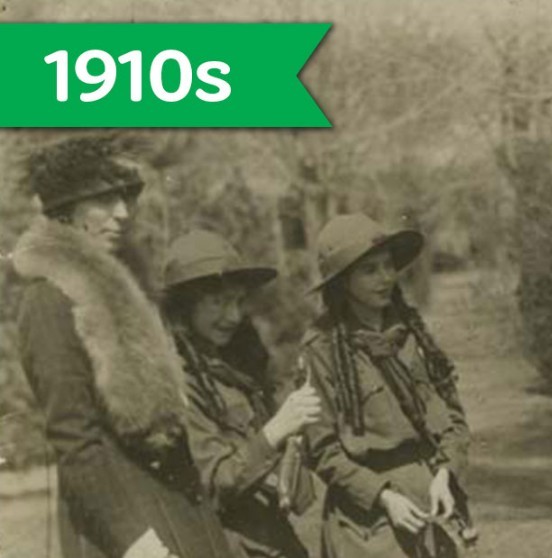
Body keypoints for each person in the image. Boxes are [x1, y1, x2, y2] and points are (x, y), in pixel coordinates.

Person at [13, 136, 237, 558]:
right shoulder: (49, 301)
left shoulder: (131, 293)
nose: (122, 214)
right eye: (103, 200)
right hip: (126, 527)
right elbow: (75, 442)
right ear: (66, 210)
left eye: (125, 199)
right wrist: (134, 541)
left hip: (178, 509)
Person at [297, 213, 470, 558]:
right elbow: (322, 449)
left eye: (388, 265)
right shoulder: (322, 347)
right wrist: (384, 496)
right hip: (368, 525)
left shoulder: (411, 332)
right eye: (369, 270)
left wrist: (446, 474)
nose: (386, 277)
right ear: (342, 282)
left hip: (434, 506)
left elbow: (453, 417)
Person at [162, 230, 316, 558]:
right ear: (185, 306)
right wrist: (275, 432)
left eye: (237, 301)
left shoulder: (236, 368)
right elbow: (214, 483)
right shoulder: (177, 381)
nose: (232, 316)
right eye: (218, 301)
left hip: (271, 537)